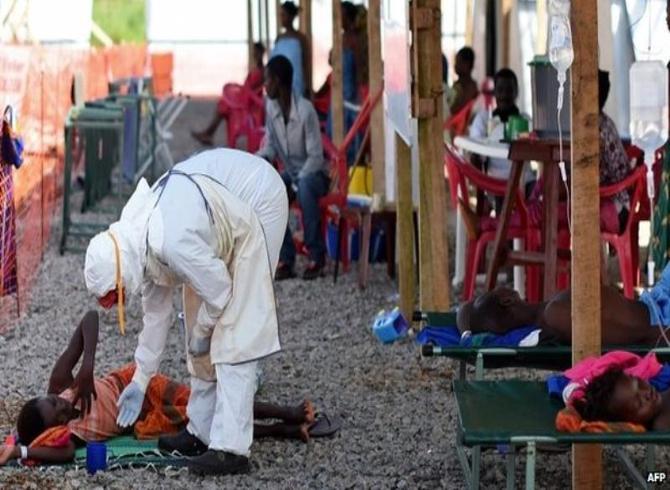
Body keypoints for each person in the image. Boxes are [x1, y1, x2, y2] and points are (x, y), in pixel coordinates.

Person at [83, 148, 288, 476]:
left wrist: (204, 331)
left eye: (116, 293)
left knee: (234, 329)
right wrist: (140, 379)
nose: (119, 299)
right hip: (212, 219)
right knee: (195, 321)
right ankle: (201, 430)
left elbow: (221, 292)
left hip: (258, 198)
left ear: (120, 272)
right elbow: (156, 317)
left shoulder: (171, 242)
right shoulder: (138, 243)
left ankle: (231, 448)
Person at [0, 311, 319, 466]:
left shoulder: (61, 382)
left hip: (135, 383)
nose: (61, 405)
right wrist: (19, 451)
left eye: (53, 400)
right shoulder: (68, 435)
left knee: (204, 400)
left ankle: (289, 413)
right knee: (204, 422)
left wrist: (86, 369)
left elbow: (90, 318)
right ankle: (284, 431)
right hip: (141, 422)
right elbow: (65, 453)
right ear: (55, 428)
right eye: (57, 412)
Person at [456, 266, 670, 345]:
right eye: (493, 290)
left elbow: (463, 310)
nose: (498, 286)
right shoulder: (556, 314)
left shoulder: (550, 310)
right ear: (507, 300)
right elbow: (640, 335)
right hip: (662, 316)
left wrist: (466, 335)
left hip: (656, 299)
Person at [256, 55, 329, 281]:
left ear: (278, 81)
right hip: (292, 174)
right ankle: (286, 258)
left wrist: (295, 185)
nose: (264, 85)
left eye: (267, 80)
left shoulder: (306, 111)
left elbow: (316, 157)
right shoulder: (271, 107)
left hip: (314, 174)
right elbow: (270, 145)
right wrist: (258, 160)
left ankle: (316, 256)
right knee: (268, 191)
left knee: (305, 188)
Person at [191, 42, 266, 147]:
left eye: (255, 52)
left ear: (260, 53)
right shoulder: (259, 69)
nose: (254, 54)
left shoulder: (260, 70)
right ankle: (209, 133)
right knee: (223, 104)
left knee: (223, 105)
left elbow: (250, 90)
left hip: (249, 104)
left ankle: (209, 133)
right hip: (246, 100)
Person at [469, 68, 534, 186]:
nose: (504, 95)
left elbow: (535, 148)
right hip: (495, 182)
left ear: (516, 92)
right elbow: (475, 152)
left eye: (509, 90)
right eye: (500, 90)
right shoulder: (484, 119)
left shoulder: (525, 120)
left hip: (524, 181)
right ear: (494, 92)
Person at [575, 368, 670, 430]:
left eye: (640, 384)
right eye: (639, 404)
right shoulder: (663, 426)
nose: (647, 393)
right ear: (630, 422)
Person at [598, 69, 634, 232]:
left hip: (617, 207)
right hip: (609, 200)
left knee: (567, 214)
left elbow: (622, 174)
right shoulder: (602, 122)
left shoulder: (600, 128)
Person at [271, 1, 310, 97]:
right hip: (280, 84)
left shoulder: (300, 38)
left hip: (296, 84)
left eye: (283, 15)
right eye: (280, 15)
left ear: (291, 17)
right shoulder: (279, 39)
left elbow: (306, 64)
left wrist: (308, 86)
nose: (281, 18)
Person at [448, 47, 479, 116]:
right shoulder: (457, 84)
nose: (455, 65)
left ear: (467, 64)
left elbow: (459, 109)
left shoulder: (470, 87)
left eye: (459, 62)